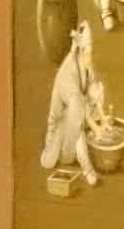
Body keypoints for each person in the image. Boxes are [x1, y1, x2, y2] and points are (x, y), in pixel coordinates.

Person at [40, 23, 110, 186]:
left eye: (91, 53)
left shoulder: (85, 65)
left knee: (98, 89)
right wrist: (95, 128)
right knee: (77, 122)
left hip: (77, 113)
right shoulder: (67, 72)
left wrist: (103, 119)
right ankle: (88, 170)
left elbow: (93, 89)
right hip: (62, 129)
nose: (90, 57)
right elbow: (78, 107)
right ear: (80, 51)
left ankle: (87, 140)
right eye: (88, 53)